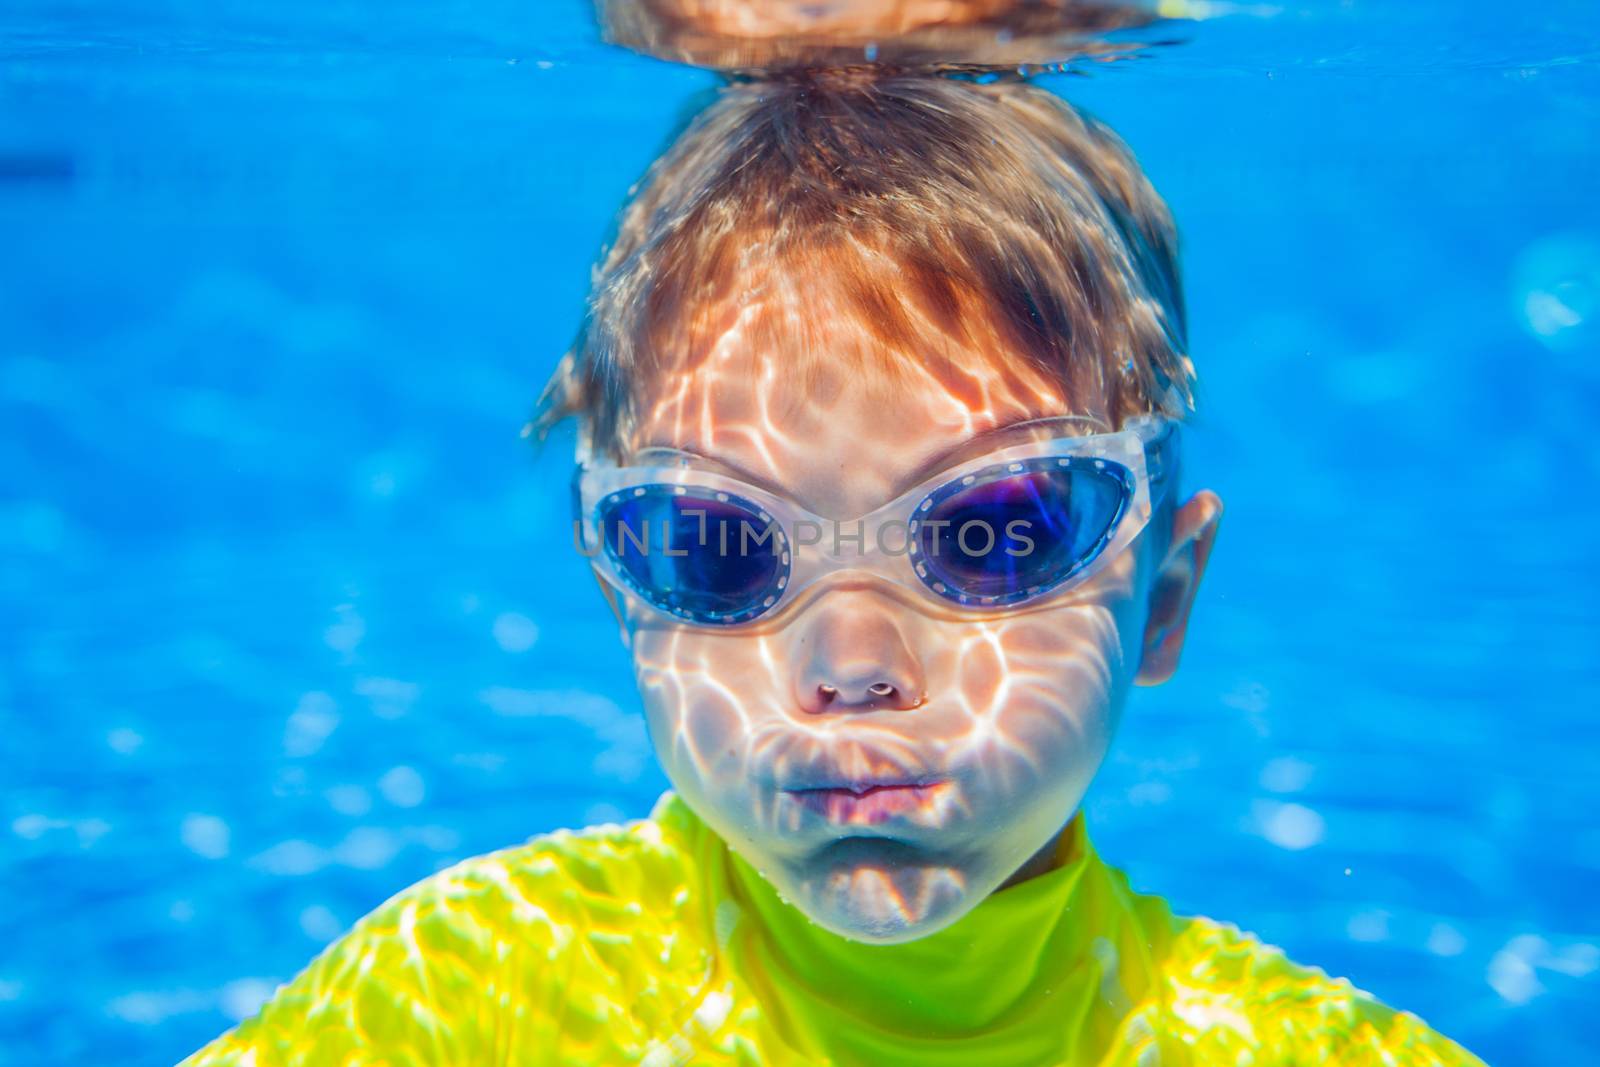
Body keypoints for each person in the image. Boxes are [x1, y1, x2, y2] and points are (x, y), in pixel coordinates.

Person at [182, 31, 1485, 1067]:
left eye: (992, 533)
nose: (851, 665)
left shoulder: (1292, 1050)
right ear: (618, 587)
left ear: (1166, 602)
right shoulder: (472, 998)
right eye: (718, 546)